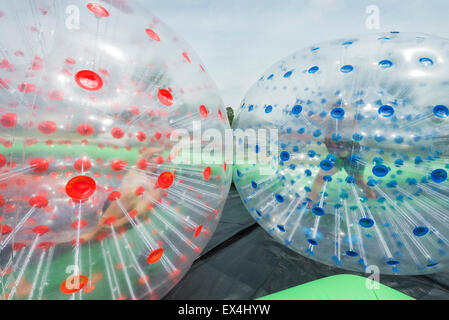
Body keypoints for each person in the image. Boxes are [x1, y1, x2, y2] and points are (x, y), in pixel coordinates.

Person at [308, 104, 376, 204]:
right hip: (338, 155)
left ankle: (371, 195)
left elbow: (315, 118)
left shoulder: (346, 116)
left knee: (359, 181)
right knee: (320, 177)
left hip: (353, 154)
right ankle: (310, 201)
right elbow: (315, 118)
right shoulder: (333, 120)